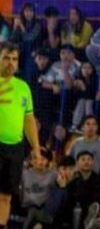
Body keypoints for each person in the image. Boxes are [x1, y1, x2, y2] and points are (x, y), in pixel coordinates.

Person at [0, 41, 42, 229]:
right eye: (6, 58)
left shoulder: (23, 87)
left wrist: (36, 149)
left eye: (14, 59)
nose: (10, 63)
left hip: (15, 148)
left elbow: (29, 120)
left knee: (6, 195)